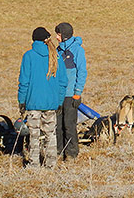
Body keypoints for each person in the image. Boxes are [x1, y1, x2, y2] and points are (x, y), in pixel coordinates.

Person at [18, 27, 67, 167]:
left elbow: (24, 82)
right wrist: (59, 101)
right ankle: (50, 164)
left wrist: (22, 101)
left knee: (33, 135)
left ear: (33, 40)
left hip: (33, 103)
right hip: (52, 103)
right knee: (50, 134)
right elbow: (63, 82)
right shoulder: (56, 56)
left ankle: (34, 165)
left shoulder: (28, 56)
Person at [55, 22, 87, 161]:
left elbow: (82, 72)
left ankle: (72, 153)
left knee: (69, 125)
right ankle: (58, 151)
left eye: (58, 34)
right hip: (58, 96)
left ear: (65, 36)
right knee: (58, 126)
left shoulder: (78, 51)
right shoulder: (58, 51)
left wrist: (77, 93)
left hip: (70, 95)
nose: (56, 37)